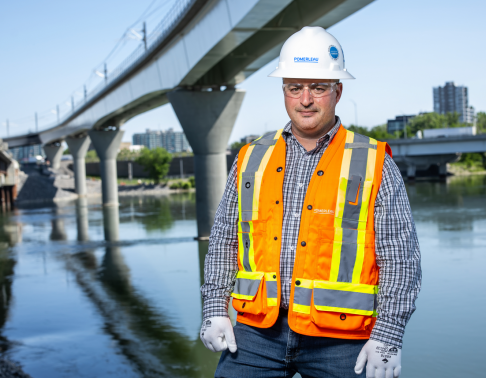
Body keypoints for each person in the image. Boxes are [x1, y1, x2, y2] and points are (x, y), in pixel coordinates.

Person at [200, 26, 421, 378]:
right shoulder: (250, 158)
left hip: (342, 340)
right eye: (294, 87)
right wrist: (214, 306)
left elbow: (400, 258)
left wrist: (388, 335)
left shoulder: (373, 161)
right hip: (257, 335)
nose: (305, 99)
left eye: (318, 87)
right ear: (283, 90)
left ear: (337, 91)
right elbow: (225, 239)